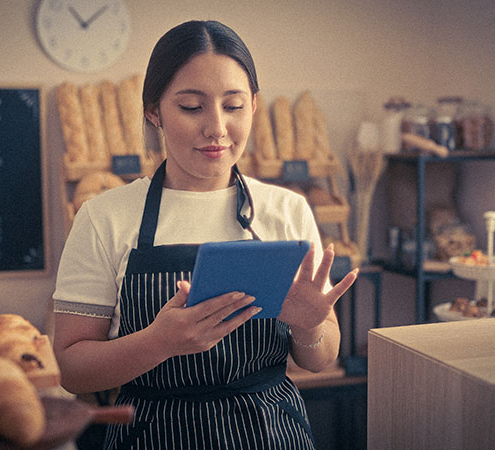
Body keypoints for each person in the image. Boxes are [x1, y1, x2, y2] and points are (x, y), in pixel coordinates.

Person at [52, 20, 358, 450]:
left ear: (253, 105)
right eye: (192, 107)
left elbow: (319, 361)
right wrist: (159, 343)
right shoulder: (103, 217)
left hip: (271, 436)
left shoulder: (286, 210)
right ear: (154, 111)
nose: (216, 128)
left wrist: (310, 328)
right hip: (150, 436)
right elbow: (71, 369)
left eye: (233, 106)